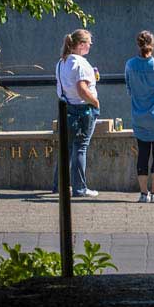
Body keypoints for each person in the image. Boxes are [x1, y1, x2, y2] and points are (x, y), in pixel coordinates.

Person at [125, 30, 154, 203]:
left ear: (138, 44)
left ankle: (143, 194)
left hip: (138, 116)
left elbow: (129, 89)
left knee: (143, 154)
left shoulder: (130, 64)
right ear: (153, 45)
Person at [54, 29, 100, 197]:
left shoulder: (61, 62)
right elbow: (82, 89)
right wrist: (95, 102)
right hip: (83, 109)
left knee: (65, 148)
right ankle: (80, 188)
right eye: (88, 43)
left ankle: (59, 185)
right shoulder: (81, 63)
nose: (90, 46)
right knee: (81, 148)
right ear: (81, 45)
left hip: (66, 108)